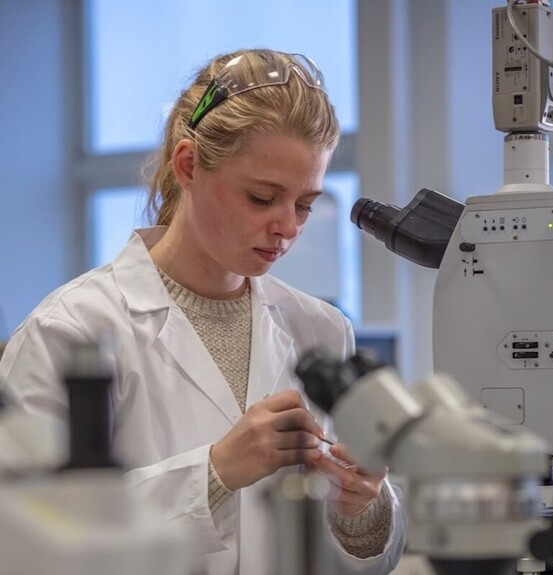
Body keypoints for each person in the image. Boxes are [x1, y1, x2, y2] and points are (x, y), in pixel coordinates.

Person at [0, 49, 406, 574]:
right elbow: (22, 544)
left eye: (305, 204)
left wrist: (362, 509)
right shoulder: (71, 329)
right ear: (188, 165)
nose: (288, 227)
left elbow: (361, 559)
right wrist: (213, 473)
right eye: (263, 198)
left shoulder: (322, 329)